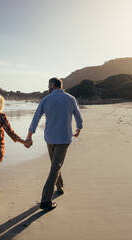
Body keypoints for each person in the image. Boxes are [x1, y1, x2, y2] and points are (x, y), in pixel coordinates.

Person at [25, 77, 83, 210]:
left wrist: (29, 135)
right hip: (63, 138)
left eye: (48, 85)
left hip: (50, 138)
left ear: (52, 85)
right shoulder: (70, 99)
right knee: (55, 166)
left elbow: (36, 118)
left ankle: (54, 192)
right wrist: (78, 128)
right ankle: (49, 197)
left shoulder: (46, 99)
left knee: (55, 165)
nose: (48, 87)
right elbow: (78, 116)